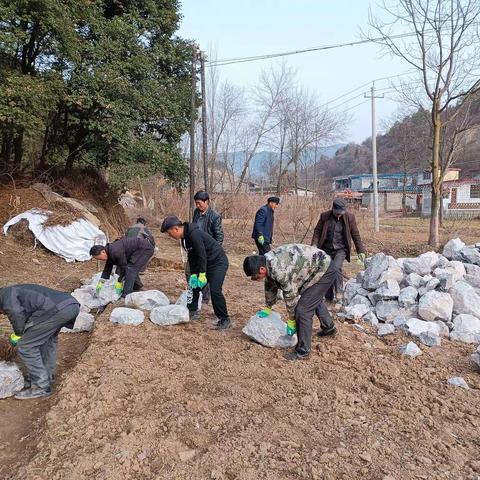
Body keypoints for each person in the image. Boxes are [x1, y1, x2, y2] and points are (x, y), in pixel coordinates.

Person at [243, 244, 337, 361]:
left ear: (262, 269)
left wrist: (291, 320)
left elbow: (290, 295)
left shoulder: (278, 269)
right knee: (311, 299)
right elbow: (270, 285)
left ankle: (303, 351)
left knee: (302, 310)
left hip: (324, 270)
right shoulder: (267, 261)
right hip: (313, 269)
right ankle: (329, 328)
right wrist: (268, 307)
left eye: (255, 276)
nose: (255, 279)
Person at [0, 284, 80, 399]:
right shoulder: (14, 291)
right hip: (69, 305)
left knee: (26, 346)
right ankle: (46, 377)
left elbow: (16, 314)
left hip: (55, 309)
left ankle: (41, 387)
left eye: (2, 312)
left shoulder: (5, 296)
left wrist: (18, 334)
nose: (2, 314)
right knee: (46, 342)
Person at [161, 215, 231, 330]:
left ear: (176, 229)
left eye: (169, 233)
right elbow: (192, 257)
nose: (170, 236)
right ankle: (192, 311)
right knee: (194, 286)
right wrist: (194, 274)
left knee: (215, 290)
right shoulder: (185, 239)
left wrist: (202, 274)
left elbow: (201, 254)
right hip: (206, 263)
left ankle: (224, 319)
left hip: (218, 262)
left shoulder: (194, 234)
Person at [311, 199, 366, 302]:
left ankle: (339, 292)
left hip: (341, 249)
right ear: (333, 210)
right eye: (337, 213)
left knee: (336, 268)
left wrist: (360, 251)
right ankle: (328, 296)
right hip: (326, 248)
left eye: (341, 213)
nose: (339, 215)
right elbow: (317, 231)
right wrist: (314, 245)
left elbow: (355, 234)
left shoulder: (350, 217)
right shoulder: (325, 216)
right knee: (326, 270)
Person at [90, 236, 154, 298]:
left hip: (145, 249)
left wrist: (119, 281)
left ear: (103, 252)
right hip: (137, 251)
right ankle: (137, 286)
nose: (100, 260)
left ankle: (126, 295)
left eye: (100, 258)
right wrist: (101, 281)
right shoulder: (109, 251)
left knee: (131, 269)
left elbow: (124, 267)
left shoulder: (115, 251)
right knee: (131, 268)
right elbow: (108, 267)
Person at [190, 191, 224, 304]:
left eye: (199, 203)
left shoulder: (215, 216)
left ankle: (205, 297)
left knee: (205, 273)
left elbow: (219, 235)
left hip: (208, 249)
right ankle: (196, 293)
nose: (198, 205)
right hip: (196, 246)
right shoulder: (196, 212)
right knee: (192, 271)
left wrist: (215, 252)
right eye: (196, 203)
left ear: (206, 202)